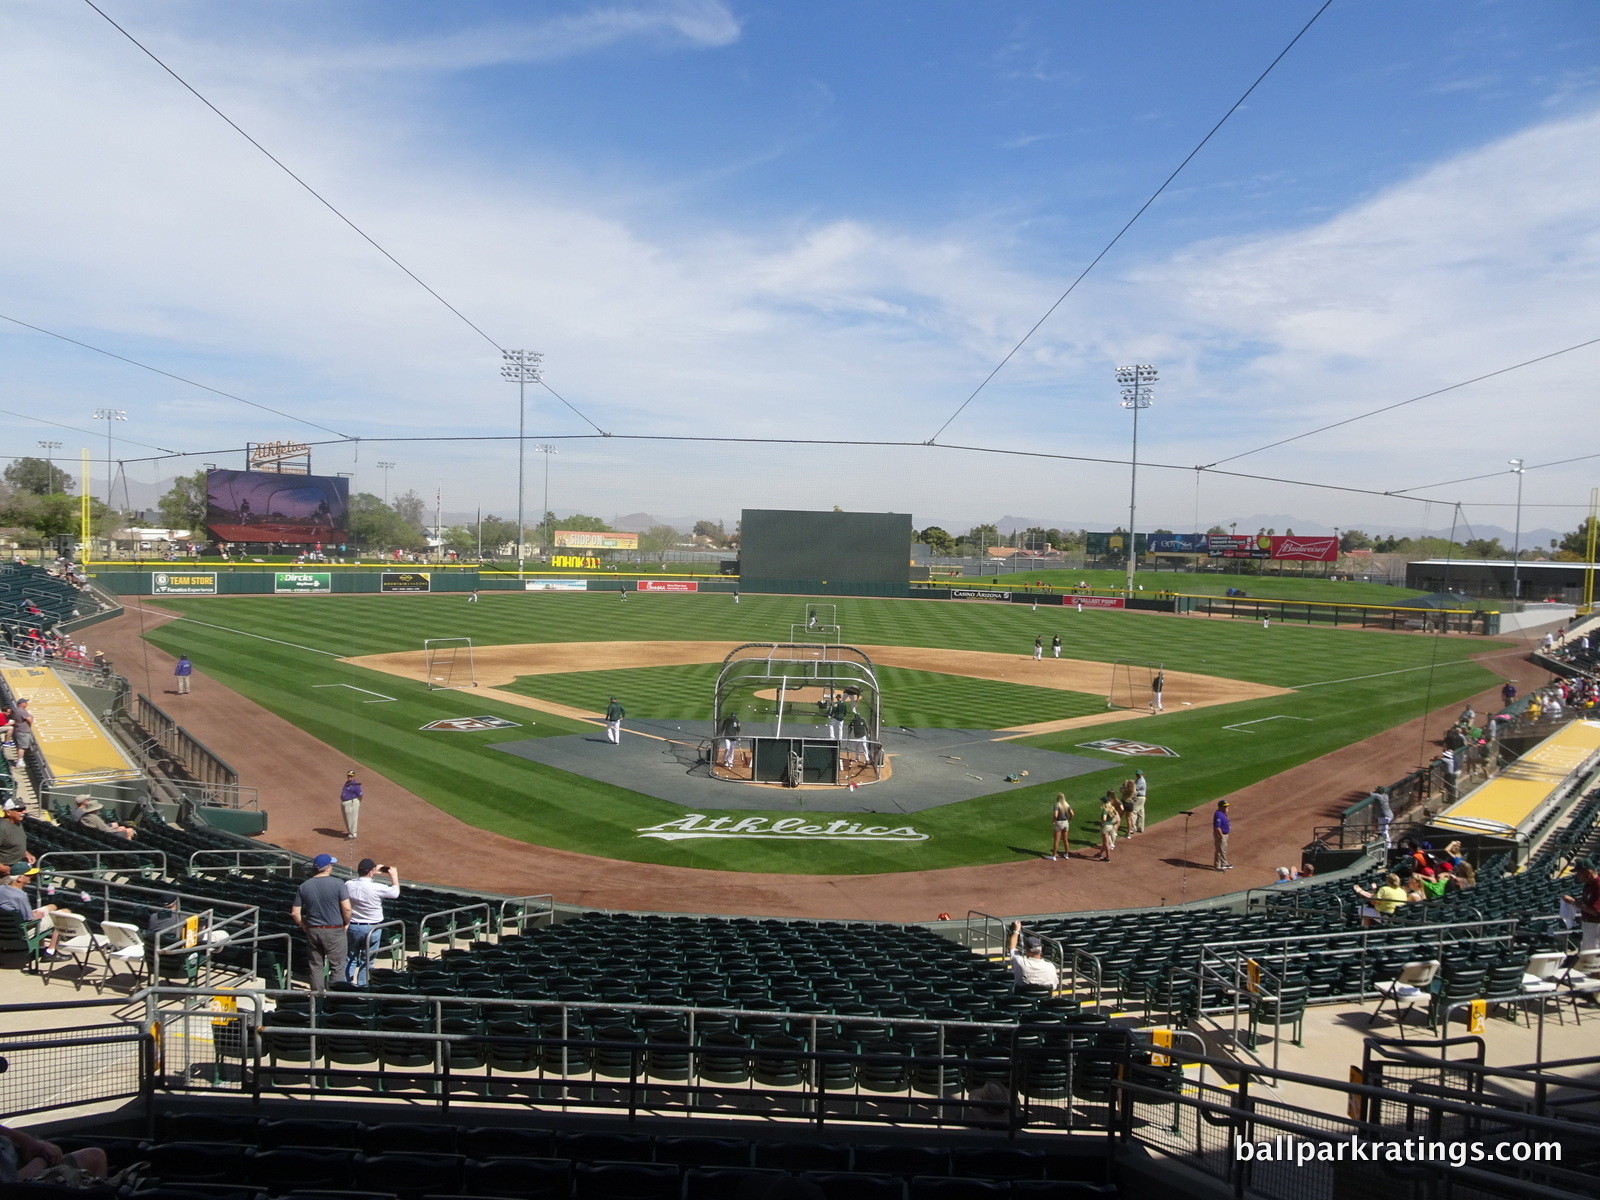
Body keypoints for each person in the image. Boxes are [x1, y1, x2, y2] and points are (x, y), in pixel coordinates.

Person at [291, 853, 350, 992]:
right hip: (334, 930)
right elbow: (347, 908)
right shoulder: (338, 883)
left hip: (313, 930)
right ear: (328, 867)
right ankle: (336, 1000)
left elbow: (295, 913)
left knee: (316, 966)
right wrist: (346, 922)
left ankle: (317, 999)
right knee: (337, 967)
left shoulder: (304, 886)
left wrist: (304, 925)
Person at [345, 859, 400, 987]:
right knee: (367, 960)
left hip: (353, 926)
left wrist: (372, 872)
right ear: (370, 872)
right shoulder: (377, 888)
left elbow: (360, 882)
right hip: (372, 929)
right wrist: (394, 877)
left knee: (350, 959)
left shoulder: (348, 884)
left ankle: (346, 986)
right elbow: (395, 893)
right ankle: (362, 986)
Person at [0, 1122, 108, 1185]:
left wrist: (29, 1142)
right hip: (28, 1186)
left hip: (25, 1165)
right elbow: (12, 1186)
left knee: (96, 1156)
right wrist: (43, 1158)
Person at [1006, 921, 1059, 990]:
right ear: (1041, 951)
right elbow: (1054, 987)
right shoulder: (1050, 967)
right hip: (1043, 1000)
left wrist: (1016, 931)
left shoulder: (1020, 963)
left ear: (1027, 951)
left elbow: (1012, 947)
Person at [1561, 862, 1600, 952]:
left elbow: (1595, 911)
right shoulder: (1589, 884)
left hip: (1596, 925)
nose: (1577, 876)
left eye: (1579, 873)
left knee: (1592, 953)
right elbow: (1586, 902)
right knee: (1586, 951)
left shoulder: (1598, 885)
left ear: (1588, 872)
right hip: (1588, 924)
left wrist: (1573, 902)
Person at [0, 801, 33, 871]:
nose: (24, 812)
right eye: (20, 810)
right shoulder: (2, 828)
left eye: (24, 808)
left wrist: (26, 853)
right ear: (8, 812)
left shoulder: (17, 823)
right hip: (5, 870)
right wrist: (2, 868)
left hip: (17, 865)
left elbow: (15, 842)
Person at [1089, 791, 1120, 861]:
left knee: (1106, 843)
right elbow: (1116, 816)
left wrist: (1103, 823)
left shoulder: (1105, 810)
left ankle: (1108, 858)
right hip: (1111, 826)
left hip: (1106, 827)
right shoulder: (1112, 808)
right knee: (1105, 842)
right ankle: (1100, 854)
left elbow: (1104, 818)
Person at [1048, 793, 1073, 861]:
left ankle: (1054, 856)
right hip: (1065, 823)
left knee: (1056, 840)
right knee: (1065, 840)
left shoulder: (1057, 805)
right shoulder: (1066, 804)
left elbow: (1056, 815)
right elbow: (1072, 814)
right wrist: (1069, 820)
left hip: (1059, 823)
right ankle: (1066, 854)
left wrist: (1054, 820)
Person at [339, 771, 363, 840]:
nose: (349, 777)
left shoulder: (355, 784)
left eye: (351, 776)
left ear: (354, 776)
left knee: (352, 818)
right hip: (344, 802)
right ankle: (350, 832)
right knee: (346, 818)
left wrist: (357, 803)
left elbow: (360, 795)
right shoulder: (347, 783)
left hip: (351, 803)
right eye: (348, 776)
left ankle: (353, 834)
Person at [1212, 800, 1232, 871]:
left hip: (1225, 834)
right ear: (1220, 807)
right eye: (1225, 806)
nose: (1227, 807)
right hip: (1220, 835)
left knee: (1223, 849)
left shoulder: (1223, 813)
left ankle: (1224, 863)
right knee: (1219, 850)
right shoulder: (1218, 814)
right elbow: (1217, 827)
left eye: (1227, 806)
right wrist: (1221, 836)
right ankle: (1217, 866)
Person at [1127, 770, 1148, 835]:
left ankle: (1133, 828)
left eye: (1138, 774)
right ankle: (1140, 828)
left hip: (1139, 798)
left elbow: (1134, 789)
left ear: (1142, 774)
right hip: (1141, 798)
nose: (1137, 775)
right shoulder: (1139, 780)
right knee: (1141, 812)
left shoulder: (1141, 781)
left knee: (1134, 811)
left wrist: (1128, 784)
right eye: (1137, 774)